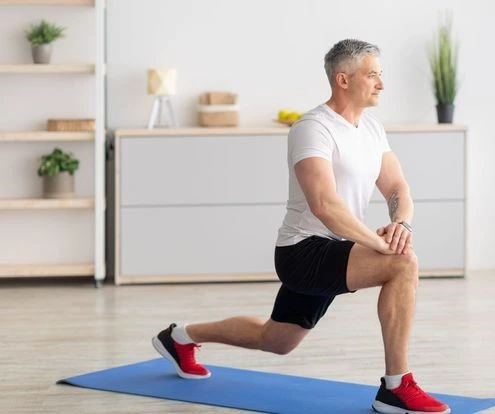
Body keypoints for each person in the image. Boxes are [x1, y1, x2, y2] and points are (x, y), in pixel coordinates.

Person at [152, 39, 450, 414]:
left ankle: (181, 336)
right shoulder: (312, 128)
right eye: (373, 75)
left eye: (380, 75)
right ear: (343, 79)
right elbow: (324, 204)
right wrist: (379, 243)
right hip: (304, 251)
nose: (381, 84)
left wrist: (401, 224)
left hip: (339, 248)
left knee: (277, 340)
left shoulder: (371, 129)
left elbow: (397, 187)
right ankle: (396, 387)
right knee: (403, 264)